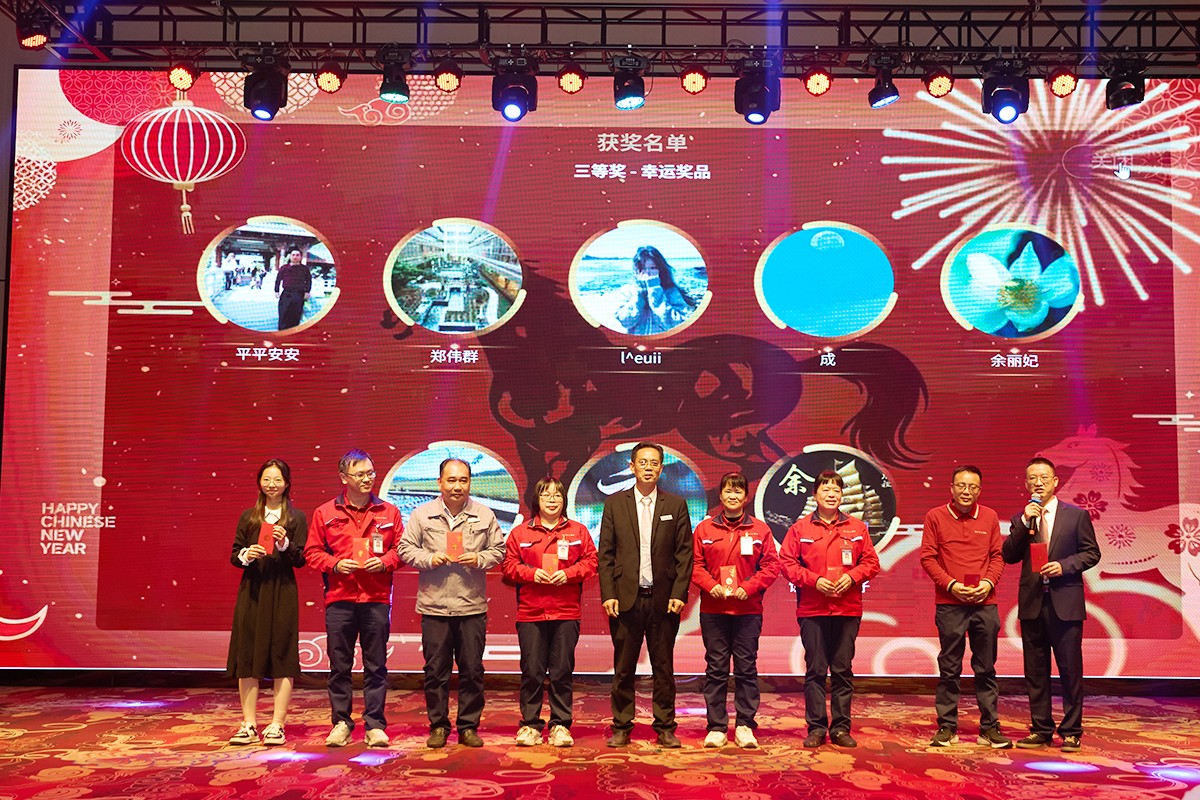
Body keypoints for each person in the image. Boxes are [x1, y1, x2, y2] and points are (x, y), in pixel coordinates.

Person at [398, 458, 505, 749]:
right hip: (434, 607)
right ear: (440, 482)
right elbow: (405, 549)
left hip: (472, 607)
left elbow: (499, 550)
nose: (457, 486)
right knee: (436, 672)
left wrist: (479, 559)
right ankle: (438, 726)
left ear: (470, 482)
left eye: (463, 480)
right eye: (452, 480)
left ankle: (468, 727)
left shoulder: (484, 514)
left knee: (472, 670)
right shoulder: (422, 515)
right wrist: (429, 559)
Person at [304, 449, 404, 748]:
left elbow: (402, 550)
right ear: (343, 478)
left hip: (376, 598)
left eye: (370, 473)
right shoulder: (325, 512)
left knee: (376, 665)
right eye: (360, 474)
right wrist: (335, 564)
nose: (367, 479)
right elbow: (312, 552)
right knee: (340, 665)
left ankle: (375, 724)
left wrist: (384, 562)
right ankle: (341, 723)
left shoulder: (389, 512)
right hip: (340, 599)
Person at [597, 441, 694, 748]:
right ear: (632, 467)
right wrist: (608, 594)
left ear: (661, 469)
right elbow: (605, 555)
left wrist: (679, 592)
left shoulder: (675, 505)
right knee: (624, 667)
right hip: (625, 599)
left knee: (663, 667)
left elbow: (685, 554)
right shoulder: (615, 504)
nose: (648, 467)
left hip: (664, 600)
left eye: (654, 463)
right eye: (643, 462)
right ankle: (621, 725)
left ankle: (665, 726)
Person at [1002, 456, 1101, 753]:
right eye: (1032, 478)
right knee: (1036, 671)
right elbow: (1009, 555)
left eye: (1044, 478)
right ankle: (1041, 729)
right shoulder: (1022, 518)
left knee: (1070, 670)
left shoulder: (1076, 516)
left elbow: (1091, 553)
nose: (1038, 483)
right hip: (1033, 603)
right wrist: (1023, 523)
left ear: (1055, 482)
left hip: (1065, 603)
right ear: (1026, 484)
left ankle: (1071, 731)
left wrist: (1064, 566)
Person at [779, 469, 880, 749]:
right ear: (815, 494)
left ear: (842, 495)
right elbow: (787, 563)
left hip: (847, 609)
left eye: (836, 489)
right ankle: (816, 728)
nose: (831, 494)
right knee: (815, 670)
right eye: (826, 489)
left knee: (842, 670)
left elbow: (871, 563)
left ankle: (841, 728)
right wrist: (814, 581)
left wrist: (852, 577)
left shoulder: (857, 528)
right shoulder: (800, 529)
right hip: (813, 609)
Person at [501, 477, 598, 747]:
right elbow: (508, 566)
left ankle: (560, 726)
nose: (552, 499)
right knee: (531, 671)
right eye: (546, 495)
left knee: (561, 672)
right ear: (537, 500)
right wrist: (531, 574)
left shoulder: (578, 531)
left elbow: (591, 562)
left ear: (564, 500)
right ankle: (530, 725)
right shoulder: (521, 532)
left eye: (557, 495)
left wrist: (569, 574)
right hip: (531, 613)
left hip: (566, 613)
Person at [920, 466, 1011, 749]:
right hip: (950, 604)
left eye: (972, 487)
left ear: (980, 490)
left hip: (985, 603)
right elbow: (928, 558)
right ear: (951, 488)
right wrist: (951, 585)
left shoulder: (990, 516)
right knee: (949, 668)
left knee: (986, 668)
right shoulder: (935, 516)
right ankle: (947, 727)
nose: (966, 491)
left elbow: (997, 556)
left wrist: (988, 583)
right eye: (961, 485)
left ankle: (990, 728)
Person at [691, 472, 779, 749]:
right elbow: (695, 565)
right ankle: (716, 727)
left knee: (746, 669)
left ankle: (745, 725)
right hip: (713, 610)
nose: (732, 496)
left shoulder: (760, 530)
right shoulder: (704, 529)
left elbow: (771, 566)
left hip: (748, 611)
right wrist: (710, 586)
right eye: (728, 491)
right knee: (716, 669)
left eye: (738, 491)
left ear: (746, 497)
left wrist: (749, 587)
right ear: (720, 496)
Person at [226, 458, 307, 746]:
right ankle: (248, 724)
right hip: (252, 591)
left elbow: (301, 559)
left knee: (282, 654)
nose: (272, 484)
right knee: (247, 655)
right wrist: (247, 555)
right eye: (266, 479)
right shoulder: (249, 517)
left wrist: (284, 544)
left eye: (277, 480)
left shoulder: (296, 518)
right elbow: (234, 555)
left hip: (282, 591)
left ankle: (277, 724)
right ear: (259, 482)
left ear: (287, 484)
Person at [613, 246, 698, 335]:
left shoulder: (671, 292)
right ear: (636, 271)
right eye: (643, 268)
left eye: (653, 268)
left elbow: (676, 324)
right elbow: (626, 322)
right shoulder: (627, 291)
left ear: (661, 270)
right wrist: (640, 295)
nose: (648, 272)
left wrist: (655, 291)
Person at [275, 249, 312, 330]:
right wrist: (276, 291)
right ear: (290, 256)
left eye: (297, 255)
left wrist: (307, 292)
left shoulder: (304, 269)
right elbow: (278, 280)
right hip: (286, 294)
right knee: (283, 314)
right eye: (293, 255)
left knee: (296, 315)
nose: (295, 257)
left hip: (299, 294)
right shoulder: (284, 268)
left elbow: (308, 281)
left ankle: (293, 333)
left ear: (301, 257)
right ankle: (282, 332)